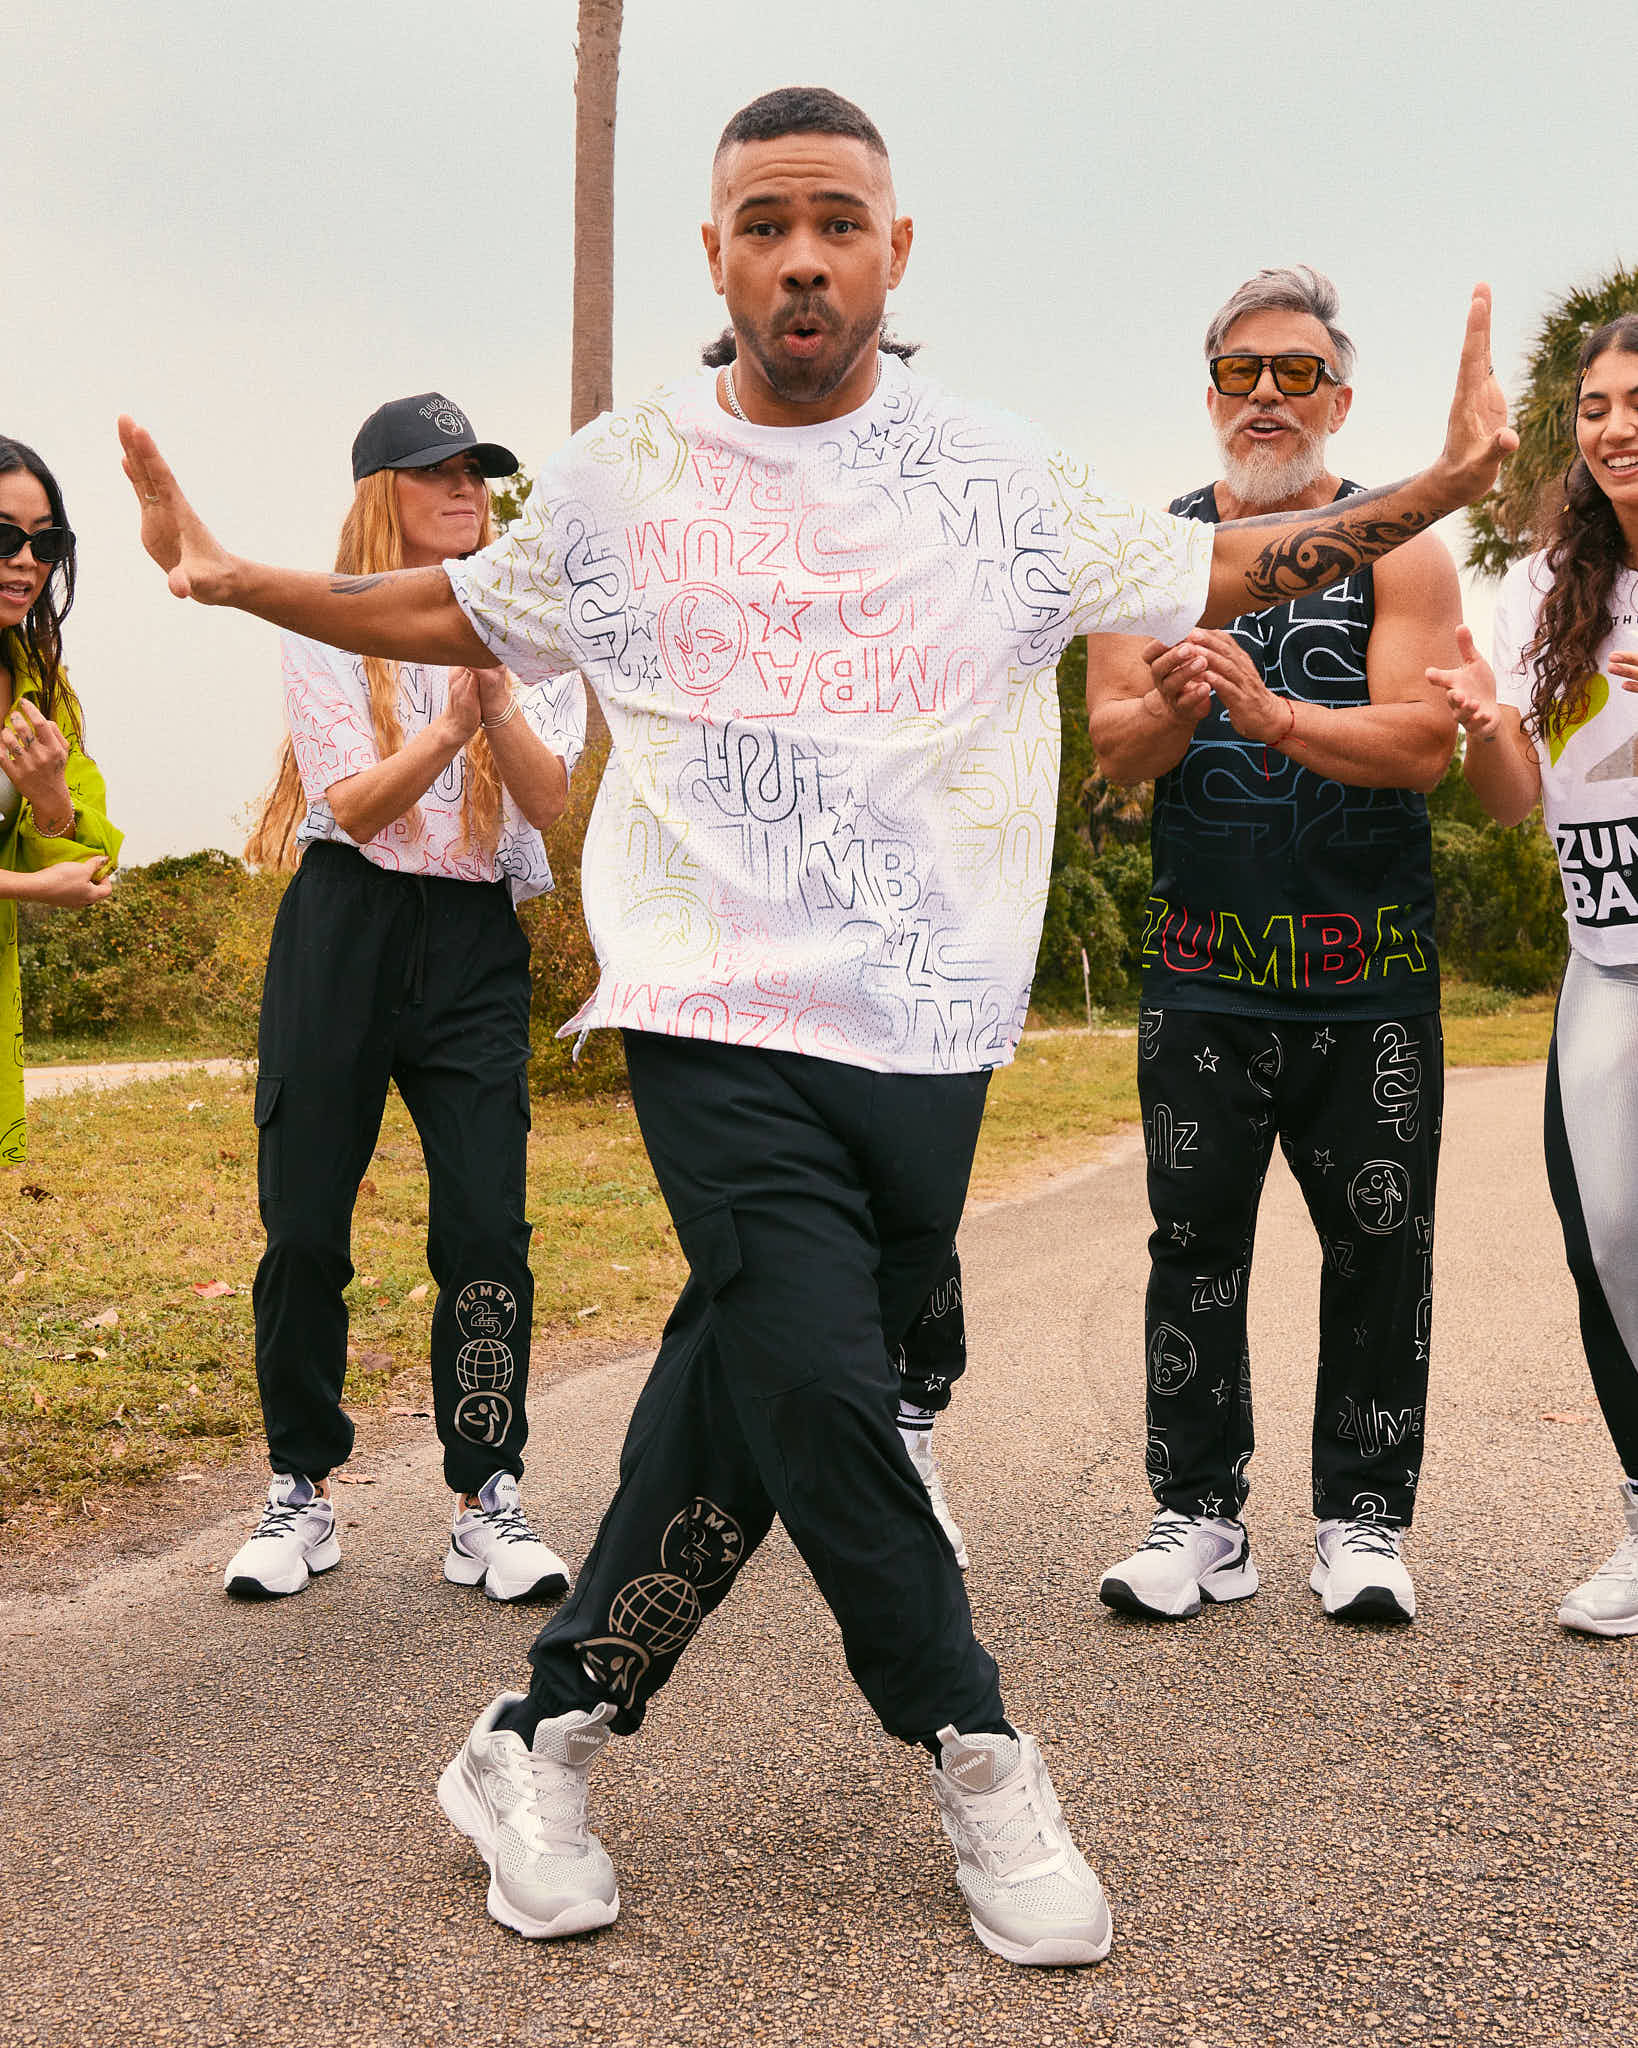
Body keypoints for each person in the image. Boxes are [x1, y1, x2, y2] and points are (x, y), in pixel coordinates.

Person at [120, 89, 1513, 1967]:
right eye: (762, 220)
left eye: (836, 222)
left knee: (748, 1390)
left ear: (893, 252)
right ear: (714, 251)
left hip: (925, 1025)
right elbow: (447, 605)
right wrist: (234, 579)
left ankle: (537, 1734)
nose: (799, 254)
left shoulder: (999, 474)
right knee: (829, 1376)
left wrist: (1441, 485)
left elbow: (1223, 572)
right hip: (708, 988)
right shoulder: (624, 477)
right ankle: (975, 1740)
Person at [1085, 269, 1463, 1628]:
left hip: (1363, 972)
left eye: (1293, 373)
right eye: (1240, 372)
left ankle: (1361, 1520)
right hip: (1199, 968)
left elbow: (1424, 743)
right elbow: (1112, 745)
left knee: (1378, 1247)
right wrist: (1185, 704)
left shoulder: (1398, 546)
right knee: (1191, 1246)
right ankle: (1196, 1516)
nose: (1263, 395)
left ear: (1338, 398)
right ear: (1208, 396)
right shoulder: (1145, 550)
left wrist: (1272, 713)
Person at [220, 394, 587, 1604]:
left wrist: (497, 704)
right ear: (385, 491)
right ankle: (302, 1491)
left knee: (487, 1223)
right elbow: (356, 805)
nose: (467, 488)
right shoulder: (328, 624)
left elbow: (545, 802)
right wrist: (443, 734)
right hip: (347, 922)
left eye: (478, 471)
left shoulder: (530, 630)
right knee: (308, 1221)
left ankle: (488, 1495)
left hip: (473, 936)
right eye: (439, 471)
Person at [1432, 312, 1638, 1637]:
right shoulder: (1544, 589)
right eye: (1594, 406)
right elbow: (1508, 802)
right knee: (1609, 1246)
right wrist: (1490, 722)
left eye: (1636, 400)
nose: (1611, 425)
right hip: (1604, 968)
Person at [0, 437, 121, 1162]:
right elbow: (53, 880)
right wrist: (27, 885)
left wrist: (50, 800)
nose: (25, 560)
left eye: (47, 540)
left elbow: (93, 860)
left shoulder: (42, 686)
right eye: (2, 536)